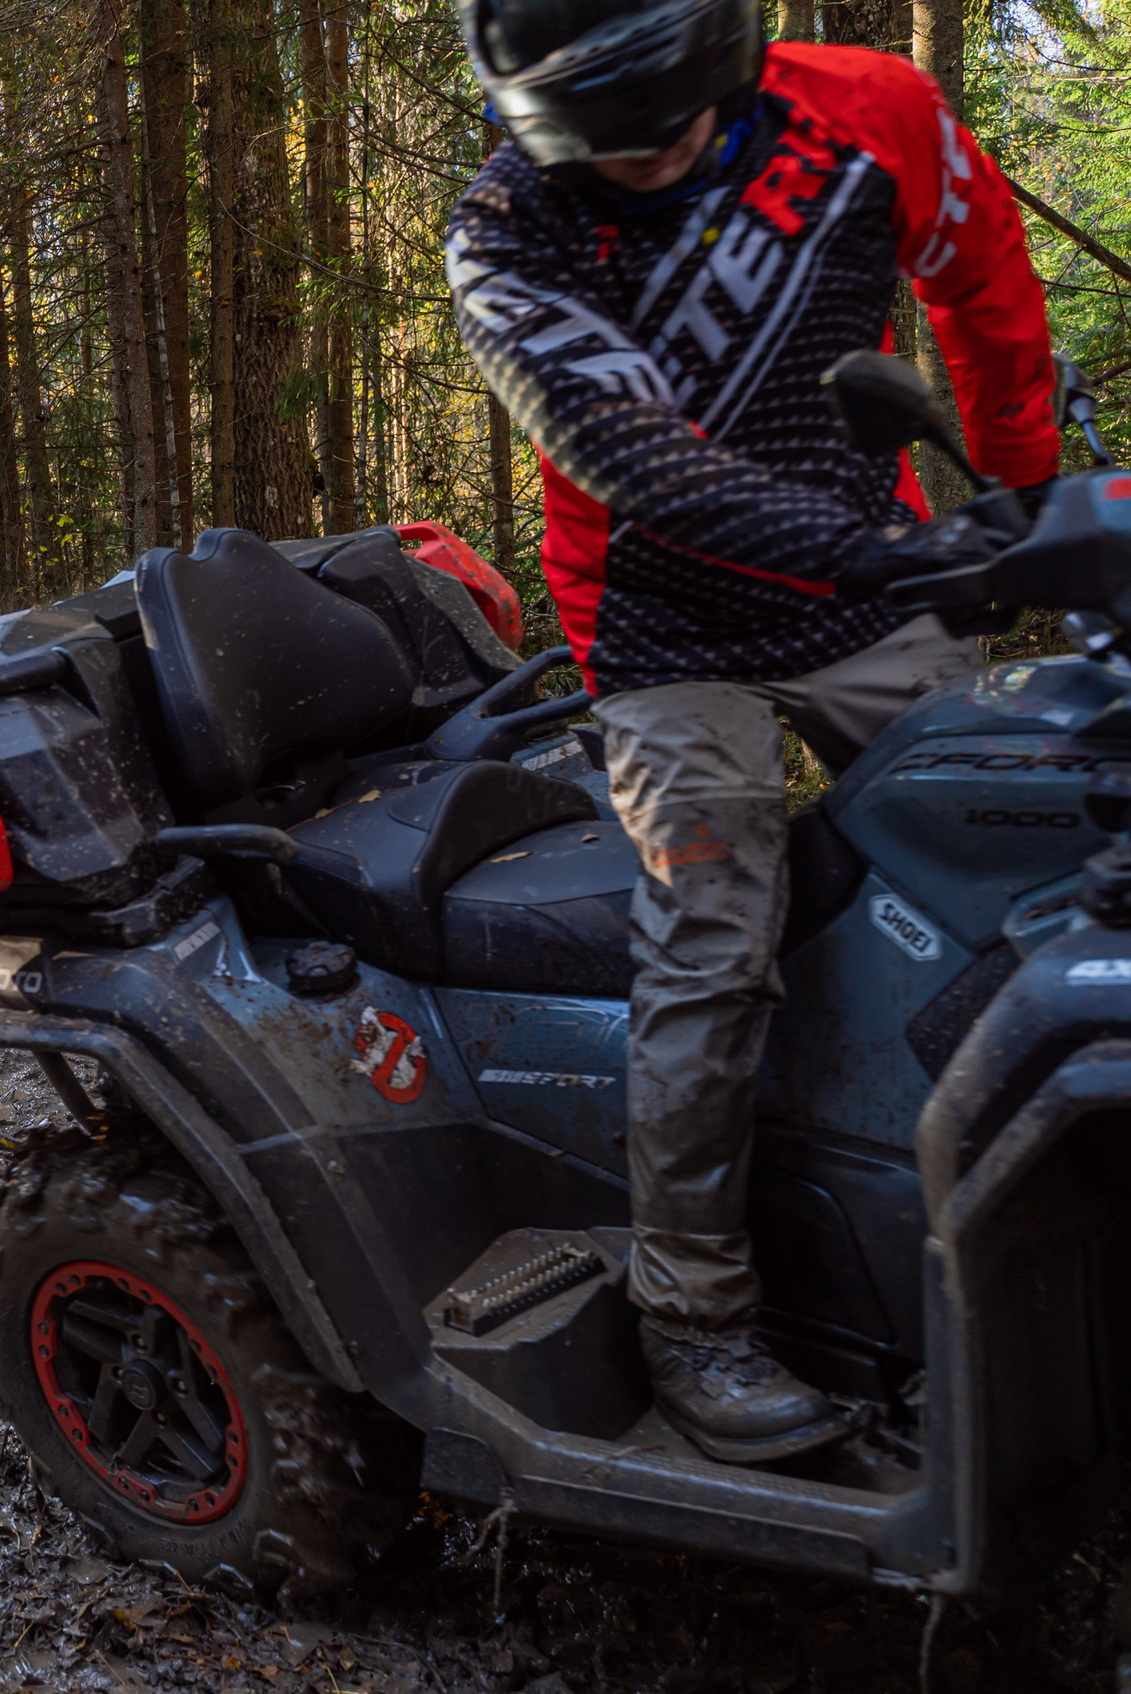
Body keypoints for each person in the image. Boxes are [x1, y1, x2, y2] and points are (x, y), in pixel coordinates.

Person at [447, 0, 1058, 1462]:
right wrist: (905, 558)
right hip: (664, 625)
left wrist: (1021, 505)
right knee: (716, 932)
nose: (647, 159)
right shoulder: (506, 236)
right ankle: (692, 1316)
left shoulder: (874, 115)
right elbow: (644, 465)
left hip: (872, 579)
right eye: (607, 142)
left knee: (1027, 847)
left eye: (668, 122)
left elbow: (986, 286)